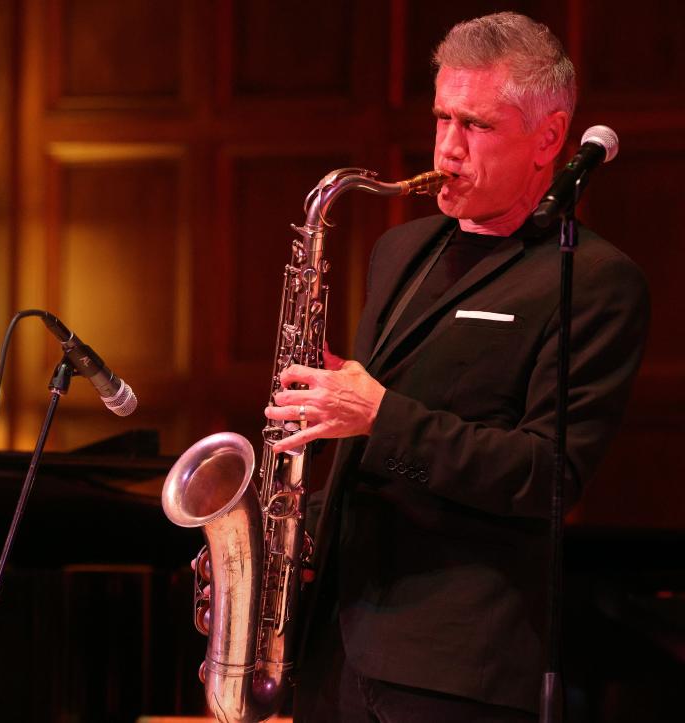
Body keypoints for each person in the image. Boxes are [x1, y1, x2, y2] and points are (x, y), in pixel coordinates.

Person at [264, 12, 650, 722]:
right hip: (335, 651)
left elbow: (547, 476)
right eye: (442, 116)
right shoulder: (400, 249)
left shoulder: (593, 280)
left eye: (475, 125)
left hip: (455, 673)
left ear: (549, 139)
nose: (446, 147)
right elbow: (383, 447)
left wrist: (379, 413)